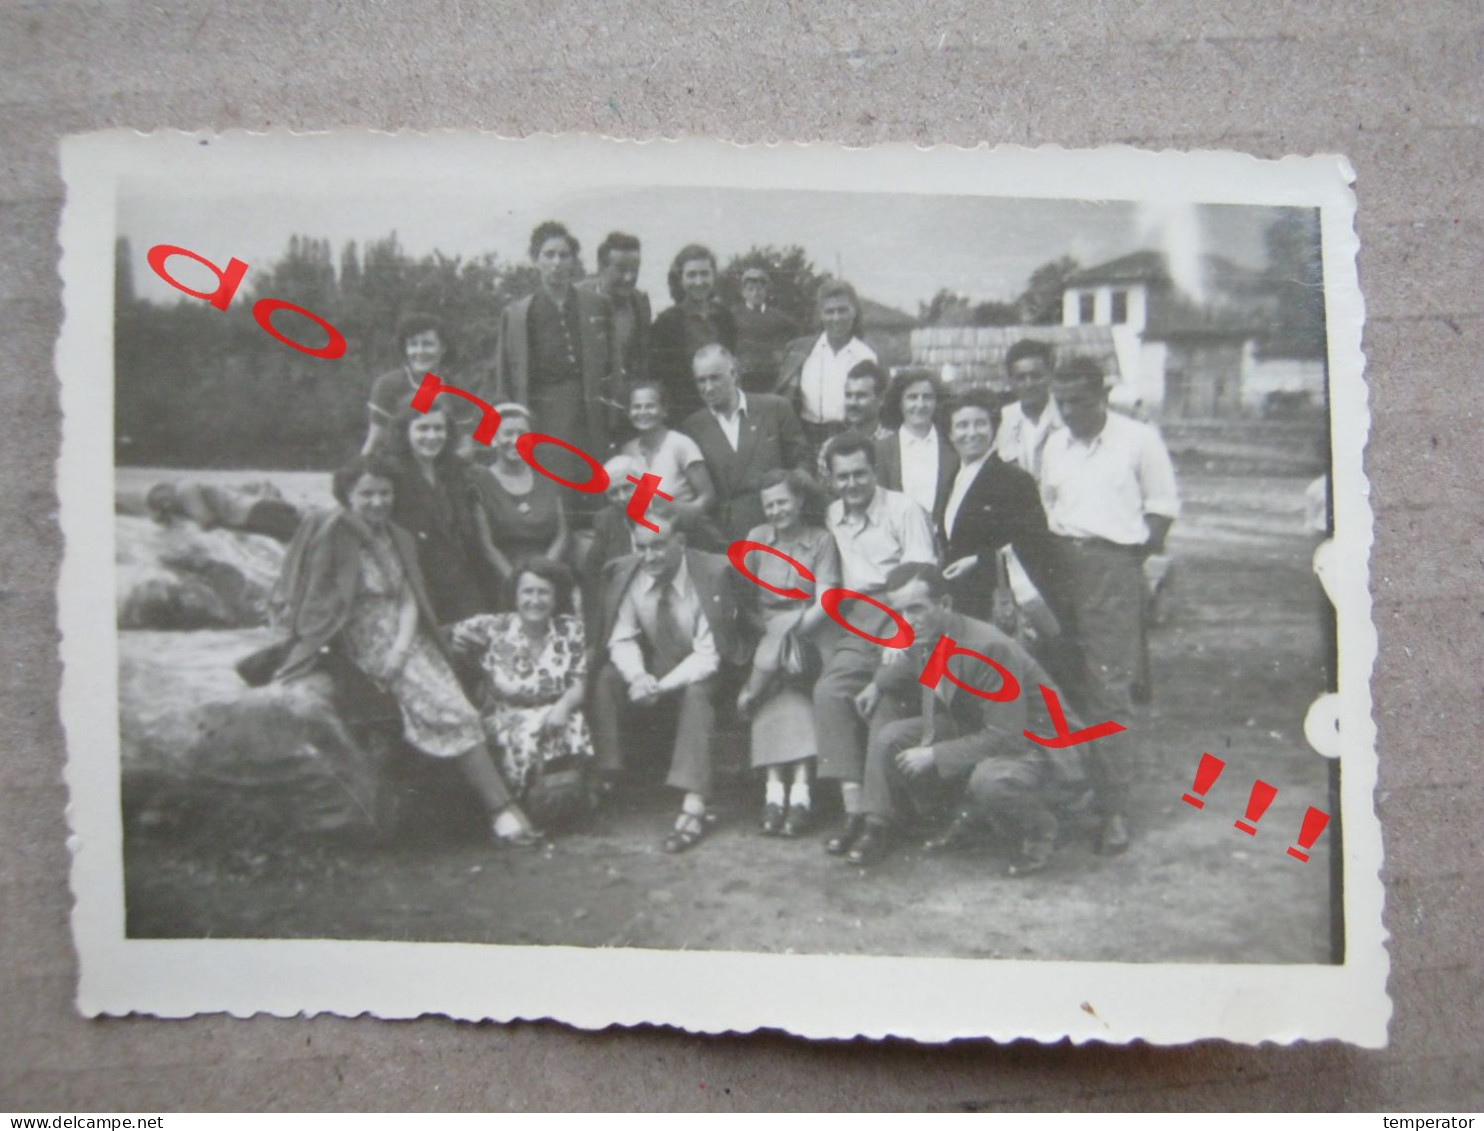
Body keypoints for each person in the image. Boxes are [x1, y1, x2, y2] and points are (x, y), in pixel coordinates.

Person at [273, 454, 542, 847]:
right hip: (360, 636)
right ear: (347, 495)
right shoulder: (331, 533)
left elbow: (408, 597)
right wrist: (306, 645)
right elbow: (313, 597)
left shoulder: (395, 536)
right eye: (367, 494)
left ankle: (501, 807)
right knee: (454, 711)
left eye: (385, 494)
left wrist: (401, 648)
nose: (377, 502)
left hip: (404, 635)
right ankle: (502, 810)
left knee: (462, 709)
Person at [845, 563, 1086, 872]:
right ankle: (929, 818)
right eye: (900, 612)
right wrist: (877, 684)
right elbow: (908, 663)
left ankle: (1042, 828)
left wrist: (935, 754)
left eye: (917, 609)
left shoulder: (987, 646)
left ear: (945, 603)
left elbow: (1007, 735)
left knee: (989, 780)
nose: (908, 621)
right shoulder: (927, 632)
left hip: (1042, 741)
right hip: (987, 727)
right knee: (892, 737)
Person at [1039, 356, 1180, 855]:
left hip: (1112, 569)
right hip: (1060, 568)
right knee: (1065, 683)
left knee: (1109, 688)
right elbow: (1048, 504)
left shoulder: (1139, 440)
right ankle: (1078, 794)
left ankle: (1115, 810)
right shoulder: (1054, 443)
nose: (1069, 411)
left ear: (1101, 397)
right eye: (1062, 402)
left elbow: (1162, 510)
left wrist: (1124, 563)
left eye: (1079, 401)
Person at [807, 433, 937, 859]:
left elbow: (921, 580)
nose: (852, 484)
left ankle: (879, 822)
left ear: (874, 470)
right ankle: (853, 810)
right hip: (856, 618)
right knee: (830, 692)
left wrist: (901, 634)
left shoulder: (904, 509)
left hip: (901, 612)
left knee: (887, 699)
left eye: (859, 473)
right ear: (832, 479)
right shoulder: (830, 516)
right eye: (842, 476)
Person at [589, 519, 752, 853]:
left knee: (697, 692)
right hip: (657, 665)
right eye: (642, 546)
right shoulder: (627, 574)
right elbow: (620, 639)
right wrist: (638, 677)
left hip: (711, 668)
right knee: (607, 678)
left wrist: (658, 688)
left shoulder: (710, 573)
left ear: (680, 540)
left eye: (658, 545)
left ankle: (694, 804)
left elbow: (709, 655)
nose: (649, 556)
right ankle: (607, 778)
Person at [450, 558, 596, 827]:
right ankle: (522, 806)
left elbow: (579, 683)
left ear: (555, 597)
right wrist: (459, 643)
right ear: (515, 596)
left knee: (574, 722)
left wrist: (563, 707)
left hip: (556, 711)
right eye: (527, 592)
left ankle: (561, 804)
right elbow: (449, 636)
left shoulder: (570, 629)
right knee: (528, 728)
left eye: (543, 592)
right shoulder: (493, 627)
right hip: (507, 714)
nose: (535, 600)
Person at [735, 469, 840, 837]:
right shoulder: (757, 538)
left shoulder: (821, 541)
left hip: (809, 631)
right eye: (769, 505)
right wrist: (767, 631)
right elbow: (741, 596)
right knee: (779, 690)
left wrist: (790, 633)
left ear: (800, 501)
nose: (776, 510)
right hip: (766, 633)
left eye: (782, 501)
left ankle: (786, 794)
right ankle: (788, 795)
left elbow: (826, 600)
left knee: (780, 678)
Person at [492, 221, 622, 491]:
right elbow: (505, 375)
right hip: (543, 414)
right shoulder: (517, 314)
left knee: (595, 481)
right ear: (535, 260)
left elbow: (614, 364)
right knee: (553, 486)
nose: (557, 262)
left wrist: (614, 414)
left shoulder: (597, 305)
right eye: (548, 255)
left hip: (590, 410)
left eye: (564, 255)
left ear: (573, 261)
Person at [938, 392, 1061, 625]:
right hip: (963, 600)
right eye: (962, 425)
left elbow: (1035, 542)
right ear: (950, 434)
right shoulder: (953, 479)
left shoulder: (1014, 480)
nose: (972, 433)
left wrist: (978, 560)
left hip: (999, 603)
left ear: (993, 428)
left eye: (980, 424)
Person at [681, 344, 809, 541]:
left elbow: (802, 465)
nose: (708, 388)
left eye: (715, 378)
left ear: (733, 373)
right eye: (701, 381)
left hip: (776, 526)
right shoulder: (692, 427)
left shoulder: (774, 408)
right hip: (725, 537)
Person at [383, 404, 489, 625]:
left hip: (461, 580)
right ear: (405, 431)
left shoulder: (453, 469)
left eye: (438, 428)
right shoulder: (391, 473)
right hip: (416, 582)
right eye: (422, 428)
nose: (431, 436)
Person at [465, 403, 569, 598]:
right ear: (494, 439)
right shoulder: (480, 483)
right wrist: (517, 582)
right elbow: (486, 546)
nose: (515, 440)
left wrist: (543, 574)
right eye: (507, 433)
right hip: (502, 580)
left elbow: (561, 535)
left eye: (522, 433)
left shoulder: (548, 480)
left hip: (548, 576)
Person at [776, 279, 878, 454]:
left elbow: (870, 410)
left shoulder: (865, 356)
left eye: (843, 310)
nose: (836, 318)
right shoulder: (801, 350)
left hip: (846, 437)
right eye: (829, 312)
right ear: (820, 315)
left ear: (854, 312)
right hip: (803, 438)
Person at [363, 312, 480, 458]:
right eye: (413, 344)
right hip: (397, 468)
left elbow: (466, 447)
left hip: (444, 469)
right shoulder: (388, 385)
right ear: (405, 349)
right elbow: (374, 442)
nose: (420, 351)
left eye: (428, 344)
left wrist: (442, 470)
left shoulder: (457, 388)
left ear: (443, 348)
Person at [649, 244, 737, 422]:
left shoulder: (725, 317)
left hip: (724, 411)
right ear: (680, 279)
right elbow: (660, 379)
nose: (699, 281)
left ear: (713, 276)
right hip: (685, 416)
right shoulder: (667, 322)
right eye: (691, 275)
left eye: (705, 274)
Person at [619, 378, 717, 530]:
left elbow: (707, 498)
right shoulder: (628, 451)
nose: (643, 412)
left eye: (650, 406)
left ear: (664, 411)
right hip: (645, 535)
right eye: (636, 407)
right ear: (629, 412)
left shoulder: (680, 444)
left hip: (684, 531)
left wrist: (680, 514)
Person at [873, 368, 958, 522]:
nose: (920, 404)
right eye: (912, 397)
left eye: (927, 397)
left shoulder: (952, 446)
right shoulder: (881, 450)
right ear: (899, 402)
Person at [579, 231, 651, 383]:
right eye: (621, 270)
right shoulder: (577, 301)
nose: (628, 278)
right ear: (601, 267)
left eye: (634, 270)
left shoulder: (640, 305)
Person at [144, 479, 302, 543]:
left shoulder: (183, 489)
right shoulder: (183, 493)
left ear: (166, 488)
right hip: (258, 512)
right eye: (160, 506)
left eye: (161, 499)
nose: (165, 505)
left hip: (257, 513)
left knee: (302, 545)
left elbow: (206, 520)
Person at [816, 359, 895, 485]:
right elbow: (826, 498)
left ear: (880, 399)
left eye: (861, 396)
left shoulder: (894, 443)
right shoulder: (830, 447)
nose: (852, 403)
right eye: (848, 395)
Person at [996, 338, 1063, 479]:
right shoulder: (1002, 421)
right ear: (1010, 380)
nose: (1029, 384)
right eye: (1021, 378)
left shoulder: (1066, 417)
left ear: (1050, 375)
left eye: (1036, 376)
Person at [732, 267, 799, 394]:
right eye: (750, 289)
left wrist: (781, 352)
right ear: (743, 293)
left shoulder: (778, 316)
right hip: (744, 376)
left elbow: (795, 333)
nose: (755, 293)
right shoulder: (734, 316)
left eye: (759, 289)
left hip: (771, 375)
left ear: (765, 291)